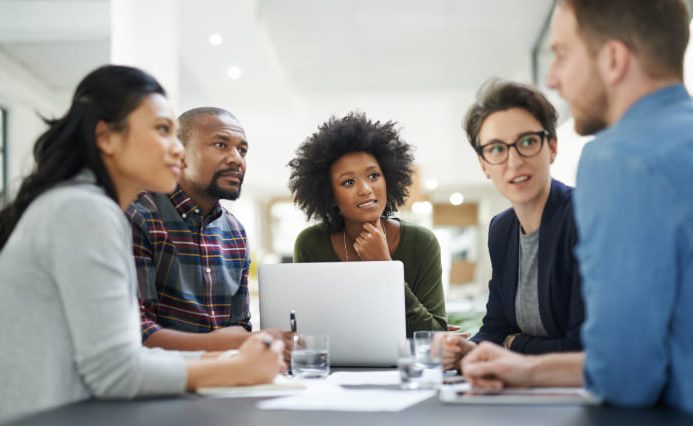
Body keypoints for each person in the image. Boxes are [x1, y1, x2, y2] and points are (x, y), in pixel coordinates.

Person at [0, 65, 284, 423]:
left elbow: (118, 358)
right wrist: (234, 369)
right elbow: (115, 371)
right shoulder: (85, 210)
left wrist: (223, 358)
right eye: (164, 131)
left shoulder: (87, 206)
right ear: (107, 138)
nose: (177, 150)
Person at [462, 0, 693, 413]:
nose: (554, 77)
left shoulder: (620, 159)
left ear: (614, 59)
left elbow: (627, 377)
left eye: (562, 55)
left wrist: (521, 359)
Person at [126, 107, 292, 360]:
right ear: (179, 154)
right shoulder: (139, 215)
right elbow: (135, 332)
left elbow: (240, 325)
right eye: (220, 145)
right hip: (161, 380)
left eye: (242, 150)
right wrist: (231, 344)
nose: (236, 159)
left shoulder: (235, 232)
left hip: (225, 377)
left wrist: (251, 344)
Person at [442, 80, 583, 370]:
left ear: (552, 147)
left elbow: (580, 345)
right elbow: (496, 327)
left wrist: (513, 343)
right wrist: (465, 349)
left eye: (528, 142)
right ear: (484, 165)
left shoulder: (583, 215)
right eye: (496, 149)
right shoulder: (501, 230)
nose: (514, 161)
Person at [288, 112, 447, 337]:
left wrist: (385, 267)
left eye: (373, 176)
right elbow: (305, 330)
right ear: (330, 195)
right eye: (349, 181)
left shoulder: (421, 242)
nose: (365, 189)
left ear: (388, 179)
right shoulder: (310, 244)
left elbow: (434, 335)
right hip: (333, 368)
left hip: (404, 368)